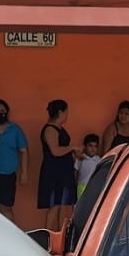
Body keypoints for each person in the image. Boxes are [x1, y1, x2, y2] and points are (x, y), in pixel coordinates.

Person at [37, 99, 78, 233]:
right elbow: (55, 150)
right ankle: (49, 238)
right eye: (66, 112)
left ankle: (62, 237)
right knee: (53, 206)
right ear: (60, 112)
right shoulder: (50, 129)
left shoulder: (60, 128)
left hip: (64, 171)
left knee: (64, 206)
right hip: (54, 171)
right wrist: (72, 147)